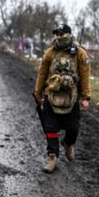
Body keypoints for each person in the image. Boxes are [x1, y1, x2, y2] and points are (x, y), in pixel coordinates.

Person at [33, 23, 90, 173]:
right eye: (57, 34)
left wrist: (86, 97)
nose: (58, 37)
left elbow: (85, 76)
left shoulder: (80, 54)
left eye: (61, 34)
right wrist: (37, 93)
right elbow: (42, 73)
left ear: (69, 35)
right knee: (50, 128)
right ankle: (53, 157)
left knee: (73, 129)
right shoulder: (50, 53)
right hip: (51, 96)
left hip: (72, 98)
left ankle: (68, 143)